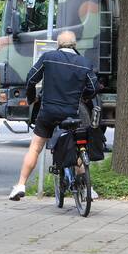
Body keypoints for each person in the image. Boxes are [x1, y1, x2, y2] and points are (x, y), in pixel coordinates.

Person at [8, 31, 98, 201]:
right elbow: (94, 87)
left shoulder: (48, 57)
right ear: (75, 45)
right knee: (78, 147)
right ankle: (88, 188)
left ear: (58, 44)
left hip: (48, 111)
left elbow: (31, 78)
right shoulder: (85, 63)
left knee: (35, 147)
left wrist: (30, 97)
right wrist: (83, 96)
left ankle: (20, 185)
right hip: (72, 113)